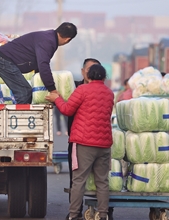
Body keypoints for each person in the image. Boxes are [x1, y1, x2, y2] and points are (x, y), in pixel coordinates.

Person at [46, 64, 114, 220]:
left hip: (84, 143)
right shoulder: (109, 93)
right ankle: (103, 215)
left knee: (78, 181)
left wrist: (57, 99)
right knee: (102, 181)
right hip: (104, 144)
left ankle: (74, 215)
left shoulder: (82, 90)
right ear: (104, 78)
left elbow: (67, 110)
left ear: (88, 76)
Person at [0, 22, 77, 104]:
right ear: (67, 39)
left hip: (3, 59)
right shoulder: (48, 41)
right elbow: (43, 65)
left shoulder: (49, 37)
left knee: (25, 91)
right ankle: (20, 119)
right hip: (3, 60)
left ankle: (20, 116)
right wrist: (52, 90)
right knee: (24, 92)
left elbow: (39, 64)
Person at [66, 58, 101, 220]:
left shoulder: (97, 90)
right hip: (77, 141)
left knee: (98, 179)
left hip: (89, 140)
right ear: (82, 71)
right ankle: (76, 211)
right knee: (77, 179)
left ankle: (100, 212)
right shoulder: (72, 87)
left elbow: (66, 109)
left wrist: (57, 100)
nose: (91, 72)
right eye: (88, 69)